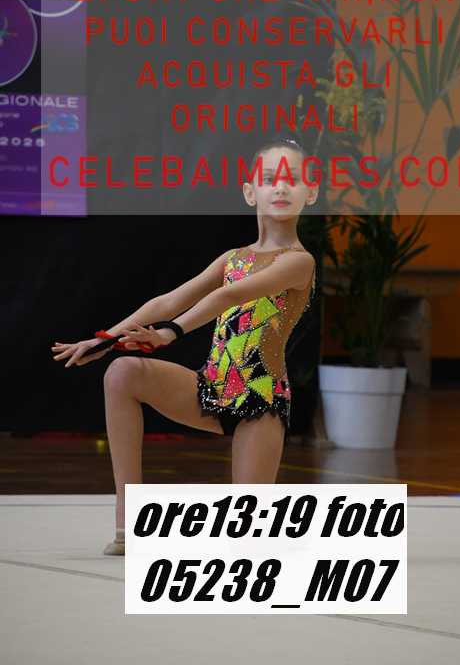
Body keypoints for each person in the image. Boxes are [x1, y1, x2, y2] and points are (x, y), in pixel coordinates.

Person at [51, 138, 319, 555]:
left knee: (248, 544)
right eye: (270, 179)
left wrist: (169, 333)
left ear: (311, 193)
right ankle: (128, 522)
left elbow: (229, 296)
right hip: (209, 387)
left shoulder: (299, 262)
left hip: (260, 401)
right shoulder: (233, 258)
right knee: (122, 372)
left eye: (293, 179)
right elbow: (168, 301)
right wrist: (106, 339)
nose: (281, 187)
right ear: (250, 192)